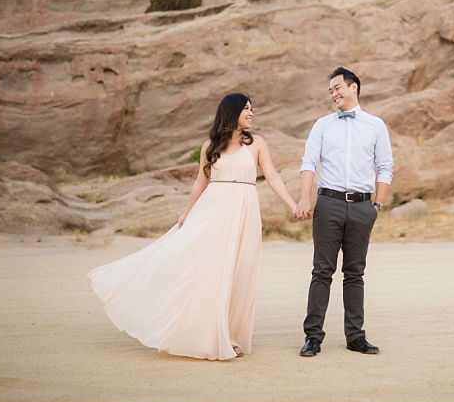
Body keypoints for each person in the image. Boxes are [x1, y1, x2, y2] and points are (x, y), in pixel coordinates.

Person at [88, 92, 305, 361]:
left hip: (246, 211)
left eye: (252, 109)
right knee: (210, 272)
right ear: (232, 111)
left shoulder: (257, 143)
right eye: (246, 109)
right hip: (214, 212)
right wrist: (186, 213)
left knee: (240, 273)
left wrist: (293, 205)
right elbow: (200, 182)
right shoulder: (209, 146)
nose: (251, 113)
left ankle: (232, 336)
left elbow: (272, 177)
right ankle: (207, 334)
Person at [297, 67, 393, 357]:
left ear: (354, 87)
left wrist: (377, 206)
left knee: (355, 274)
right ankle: (313, 337)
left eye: (337, 88)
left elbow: (385, 166)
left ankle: (355, 336)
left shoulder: (376, 125)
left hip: (363, 206)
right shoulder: (322, 125)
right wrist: (304, 198)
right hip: (329, 203)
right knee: (322, 272)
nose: (333, 94)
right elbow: (309, 162)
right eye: (330, 91)